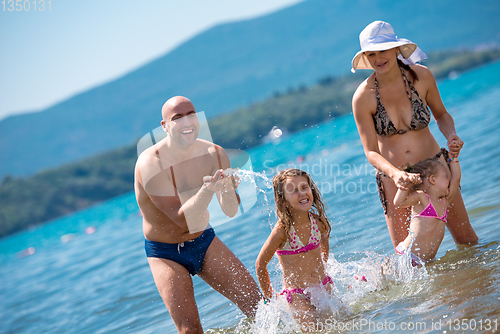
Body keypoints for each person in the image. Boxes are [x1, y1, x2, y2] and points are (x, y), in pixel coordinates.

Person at [134, 96, 261, 333]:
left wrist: (229, 189)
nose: (186, 122)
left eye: (190, 114)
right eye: (177, 118)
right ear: (164, 126)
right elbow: (181, 219)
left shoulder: (214, 153)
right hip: (166, 252)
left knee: (258, 305)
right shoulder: (151, 162)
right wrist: (207, 190)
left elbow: (230, 210)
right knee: (190, 329)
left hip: (204, 240)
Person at [351, 20, 478, 250]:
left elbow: (441, 115)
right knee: (408, 259)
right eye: (371, 54)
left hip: (436, 171)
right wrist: (395, 173)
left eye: (382, 51)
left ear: (396, 48)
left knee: (467, 241)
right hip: (396, 182)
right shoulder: (363, 97)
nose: (377, 59)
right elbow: (370, 151)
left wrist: (452, 136)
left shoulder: (421, 77)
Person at [255, 169, 342, 327]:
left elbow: (324, 245)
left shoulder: (319, 222)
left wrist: (323, 269)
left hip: (322, 286)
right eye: (293, 190)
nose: (301, 193)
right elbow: (260, 264)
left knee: (339, 325)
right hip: (297, 295)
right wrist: (270, 298)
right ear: (283, 200)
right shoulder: (282, 232)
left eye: (304, 187)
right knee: (312, 330)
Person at [394, 157, 461, 266]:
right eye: (446, 177)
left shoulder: (444, 201)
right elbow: (399, 202)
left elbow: (456, 178)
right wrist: (406, 184)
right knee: (390, 277)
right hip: (408, 256)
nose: (449, 181)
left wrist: (453, 157)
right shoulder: (422, 198)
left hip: (427, 261)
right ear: (433, 179)